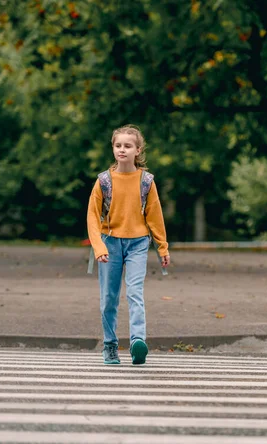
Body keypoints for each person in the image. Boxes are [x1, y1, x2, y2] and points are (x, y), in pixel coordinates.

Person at [87, 124, 170, 365]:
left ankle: (137, 342)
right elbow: (92, 216)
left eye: (128, 146)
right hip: (109, 244)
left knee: (135, 292)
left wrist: (162, 247)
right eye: (118, 145)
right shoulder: (104, 180)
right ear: (113, 148)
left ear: (138, 150)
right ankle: (110, 346)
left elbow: (155, 216)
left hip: (138, 243)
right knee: (109, 298)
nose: (122, 150)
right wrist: (99, 247)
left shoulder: (146, 181)